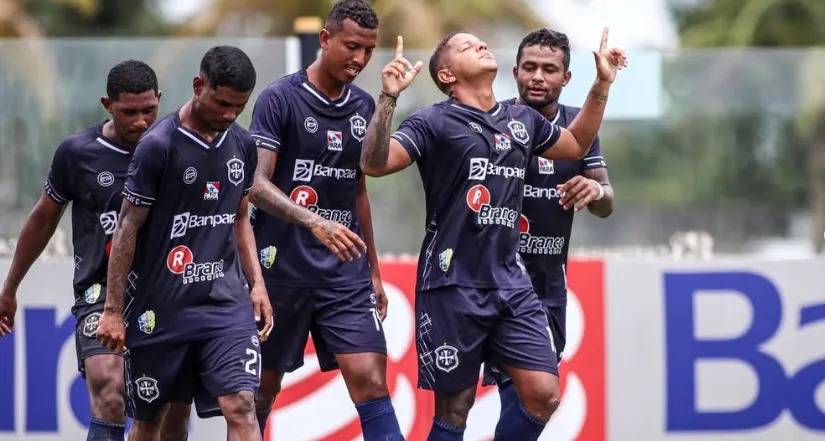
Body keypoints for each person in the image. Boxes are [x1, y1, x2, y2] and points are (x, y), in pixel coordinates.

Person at [359, 29, 626, 440]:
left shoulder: (522, 120)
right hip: (452, 283)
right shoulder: (433, 121)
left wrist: (603, 82)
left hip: (511, 281)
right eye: (467, 46)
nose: (481, 44)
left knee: (543, 393)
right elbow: (375, 164)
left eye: (481, 42)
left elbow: (574, 144)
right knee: (455, 408)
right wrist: (388, 98)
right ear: (447, 75)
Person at [0, 60, 191, 441]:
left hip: (165, 290)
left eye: (148, 111)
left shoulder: (177, 148)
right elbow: (42, 220)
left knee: (167, 407)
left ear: (160, 101)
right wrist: (9, 288)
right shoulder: (78, 153)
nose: (140, 121)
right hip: (100, 291)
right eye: (129, 112)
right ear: (108, 104)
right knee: (111, 390)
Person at [95, 46, 273, 441]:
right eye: (223, 102)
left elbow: (239, 216)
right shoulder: (158, 145)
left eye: (239, 107)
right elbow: (126, 228)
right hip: (160, 310)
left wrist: (256, 283)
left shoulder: (241, 144)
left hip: (224, 305)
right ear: (199, 85)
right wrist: (112, 309)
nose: (230, 114)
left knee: (242, 405)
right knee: (152, 421)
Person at [247, 1, 402, 439]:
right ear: (325, 39)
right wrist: (313, 221)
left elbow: (358, 191)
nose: (360, 59)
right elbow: (255, 183)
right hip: (281, 270)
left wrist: (373, 270)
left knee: (372, 382)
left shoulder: (365, 104)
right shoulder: (280, 98)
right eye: (352, 46)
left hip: (344, 274)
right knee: (261, 391)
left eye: (369, 51)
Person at [482, 27, 616, 417]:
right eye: (529, 67)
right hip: (491, 278)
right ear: (515, 71)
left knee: (537, 401)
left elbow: (607, 202)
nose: (538, 76)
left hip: (546, 283)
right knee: (463, 399)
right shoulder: (496, 121)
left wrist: (596, 192)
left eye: (549, 69)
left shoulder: (580, 125)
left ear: (566, 78)